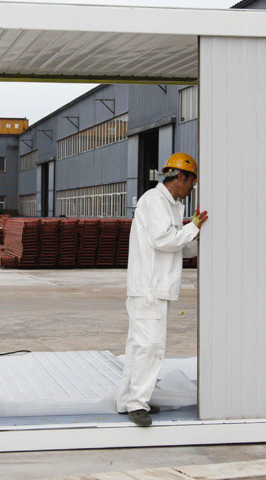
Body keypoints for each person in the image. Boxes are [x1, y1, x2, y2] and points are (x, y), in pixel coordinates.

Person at [115, 152, 208, 427]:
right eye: (191, 182)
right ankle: (137, 403)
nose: (191, 188)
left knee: (138, 347)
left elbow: (175, 246)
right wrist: (192, 229)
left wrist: (196, 238)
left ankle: (127, 400)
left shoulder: (168, 205)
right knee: (150, 347)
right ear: (181, 177)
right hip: (149, 289)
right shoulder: (155, 201)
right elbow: (163, 240)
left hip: (152, 288)